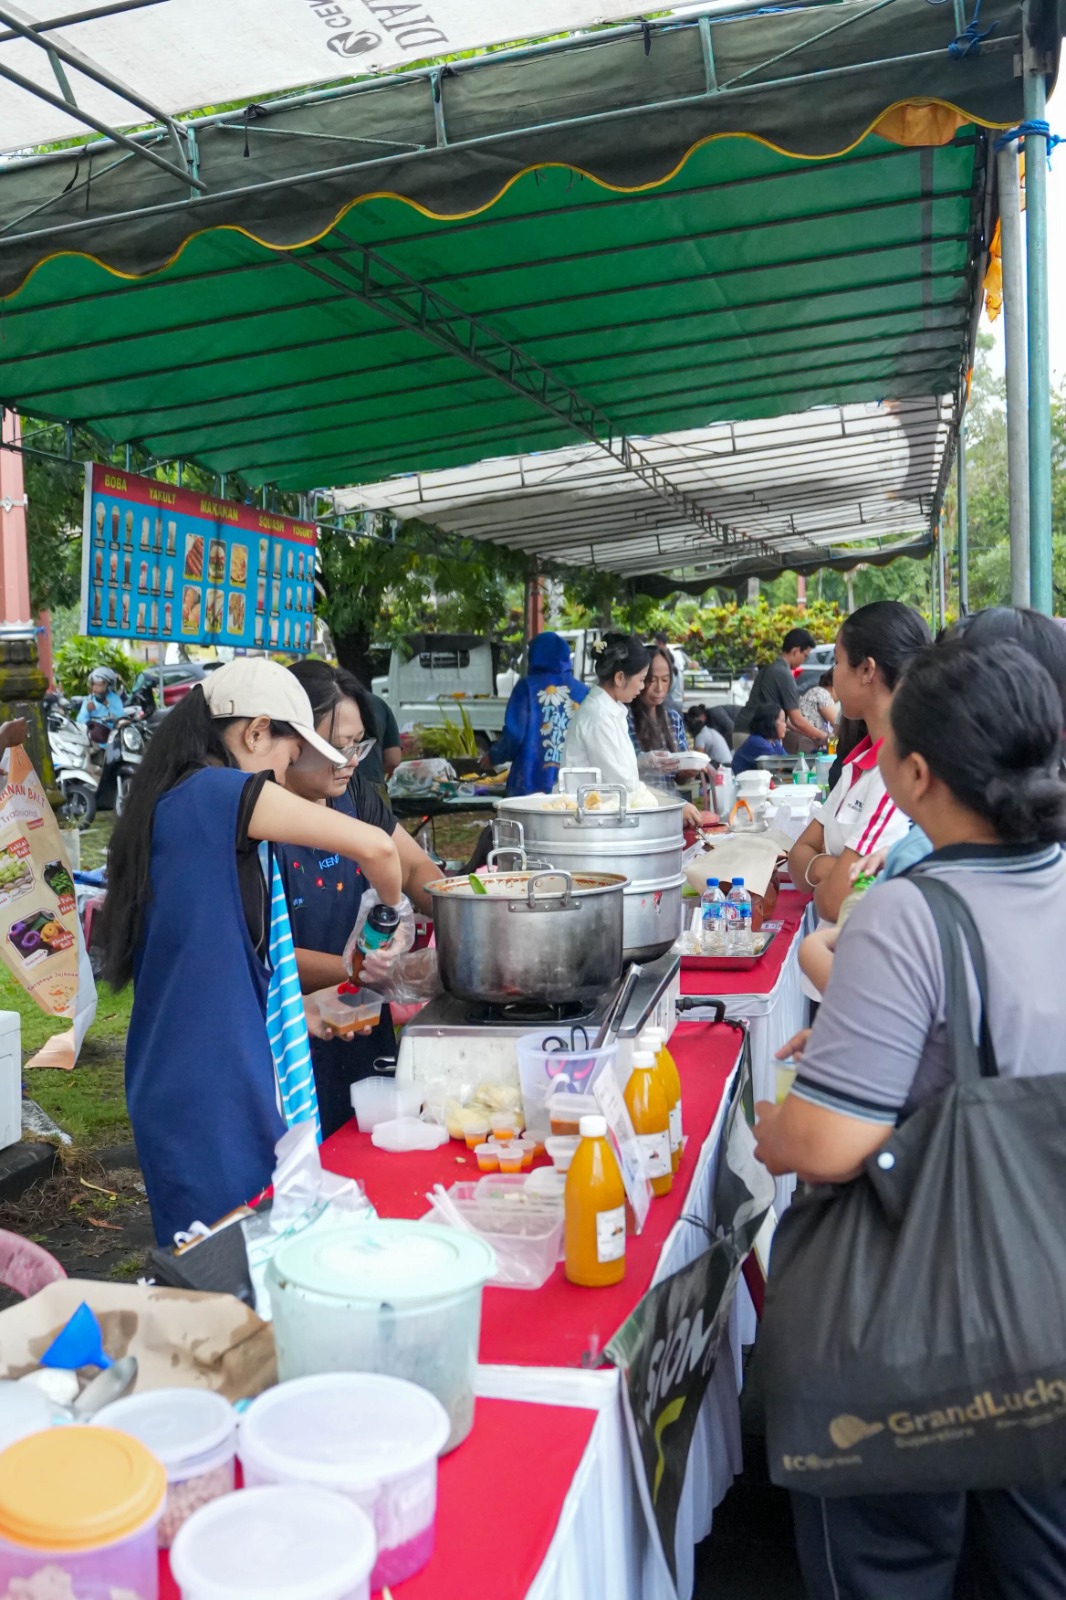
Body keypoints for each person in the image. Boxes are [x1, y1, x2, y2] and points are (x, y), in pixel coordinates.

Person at [755, 638, 1066, 1599]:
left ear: (919, 772)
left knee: (885, 1564)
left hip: (925, 1329)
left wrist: (774, 1128)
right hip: (1047, 1303)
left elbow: (829, 1144)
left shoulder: (908, 915)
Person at [98, 659, 403, 1245]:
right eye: (288, 760)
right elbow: (379, 851)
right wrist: (386, 918)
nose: (284, 778)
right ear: (256, 732)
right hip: (207, 1087)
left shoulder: (177, 801)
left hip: (194, 1069)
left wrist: (297, 1009)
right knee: (228, 1265)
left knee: (237, 1259)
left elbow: (214, 953)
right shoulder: (218, 792)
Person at [279, 660, 442, 1138]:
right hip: (297, 1025)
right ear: (289, 741)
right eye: (337, 747)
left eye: (358, 746)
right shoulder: (257, 820)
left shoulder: (357, 797)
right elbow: (263, 952)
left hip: (363, 1022)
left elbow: (412, 869)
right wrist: (368, 972)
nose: (350, 760)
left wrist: (470, 909)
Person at [787, 601, 930, 928]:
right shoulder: (860, 762)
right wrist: (831, 868)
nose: (833, 673)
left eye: (837, 661)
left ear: (867, 670)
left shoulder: (894, 773)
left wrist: (821, 869)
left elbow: (835, 902)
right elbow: (798, 856)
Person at [563, 633, 701, 823]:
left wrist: (644, 761)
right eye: (643, 679)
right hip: (592, 822)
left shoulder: (611, 711)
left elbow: (621, 772)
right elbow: (626, 787)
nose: (643, 686)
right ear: (620, 678)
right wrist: (676, 805)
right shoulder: (600, 717)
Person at [482, 632, 588, 795]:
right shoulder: (584, 692)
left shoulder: (527, 688)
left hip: (529, 785)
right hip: (572, 787)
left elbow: (514, 736)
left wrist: (494, 757)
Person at [733, 628, 825, 749]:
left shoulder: (770, 668)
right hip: (753, 736)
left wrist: (813, 735)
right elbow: (796, 719)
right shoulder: (784, 673)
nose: (804, 661)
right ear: (795, 651)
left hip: (742, 731)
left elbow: (788, 722)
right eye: (805, 656)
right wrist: (824, 736)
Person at [629, 645, 689, 774]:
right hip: (640, 793)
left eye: (665, 680)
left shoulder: (673, 719)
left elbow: (680, 778)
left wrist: (689, 771)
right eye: (651, 680)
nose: (659, 688)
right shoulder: (624, 719)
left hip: (671, 794)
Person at [732, 706, 788, 776]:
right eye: (783, 721)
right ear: (771, 722)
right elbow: (781, 767)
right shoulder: (757, 742)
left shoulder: (774, 742)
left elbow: (788, 761)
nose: (785, 725)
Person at [76, 668, 124, 735]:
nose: (96, 687)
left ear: (108, 685)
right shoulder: (89, 699)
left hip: (111, 736)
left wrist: (108, 705)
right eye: (94, 684)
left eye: (100, 685)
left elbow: (120, 716)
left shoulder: (115, 699)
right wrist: (88, 722)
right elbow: (81, 718)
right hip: (92, 736)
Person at [797, 669, 839, 741]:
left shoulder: (816, 691)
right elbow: (838, 724)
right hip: (804, 742)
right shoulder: (822, 693)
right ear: (834, 687)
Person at [653, 631, 685, 715]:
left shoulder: (665, 656)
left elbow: (668, 688)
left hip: (671, 701)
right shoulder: (675, 657)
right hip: (677, 700)